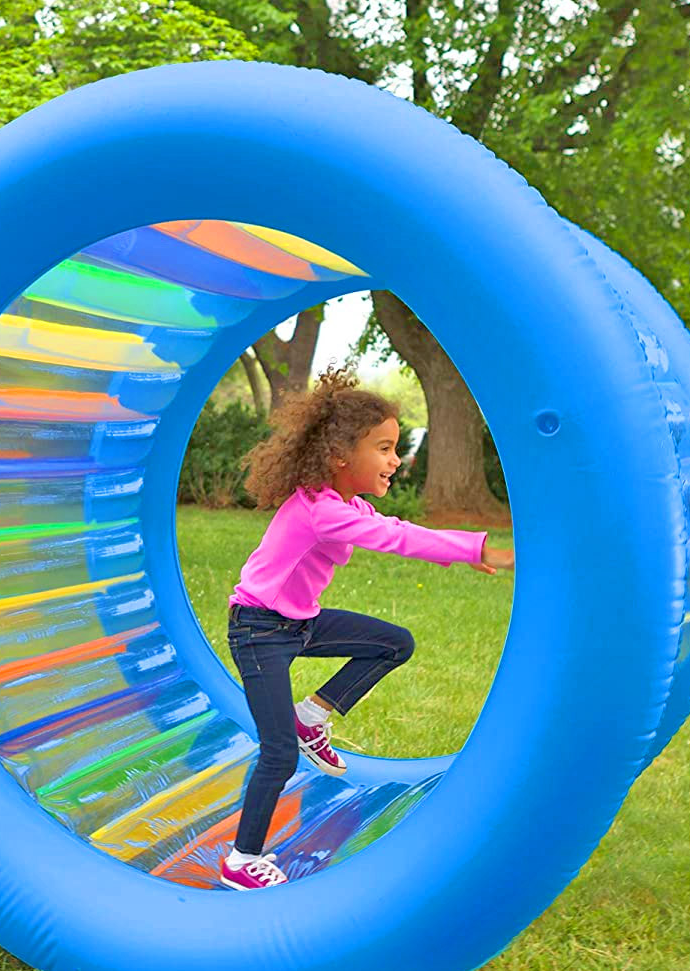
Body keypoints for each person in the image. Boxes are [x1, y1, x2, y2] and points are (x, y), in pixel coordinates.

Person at [220, 368, 514, 891]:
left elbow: (393, 526)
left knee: (393, 643)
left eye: (394, 447)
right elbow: (393, 538)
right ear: (340, 457)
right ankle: (242, 859)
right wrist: (474, 550)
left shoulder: (343, 505)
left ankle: (313, 717)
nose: (395, 459)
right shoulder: (321, 513)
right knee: (279, 751)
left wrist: (469, 548)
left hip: (299, 623)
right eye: (383, 448)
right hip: (259, 630)